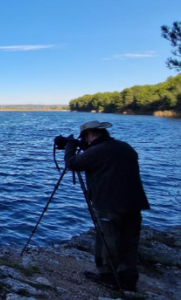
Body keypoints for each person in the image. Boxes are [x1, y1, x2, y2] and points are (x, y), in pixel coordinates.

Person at [63, 121, 150, 292]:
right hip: (134, 202)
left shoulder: (97, 151)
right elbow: (107, 163)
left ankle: (108, 277)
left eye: (85, 138)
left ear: (90, 135)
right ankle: (129, 278)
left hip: (110, 204)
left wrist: (69, 147)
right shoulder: (125, 147)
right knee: (129, 241)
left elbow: (72, 164)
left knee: (107, 239)